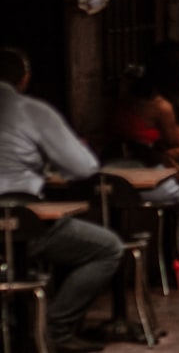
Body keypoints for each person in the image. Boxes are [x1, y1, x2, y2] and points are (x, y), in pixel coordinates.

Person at [0, 46, 124, 353]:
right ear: (24, 80)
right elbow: (85, 167)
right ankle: (55, 327)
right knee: (107, 248)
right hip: (24, 223)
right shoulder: (32, 111)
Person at [111, 40, 179, 286]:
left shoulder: (127, 95)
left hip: (121, 179)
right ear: (173, 72)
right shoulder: (161, 107)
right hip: (151, 184)